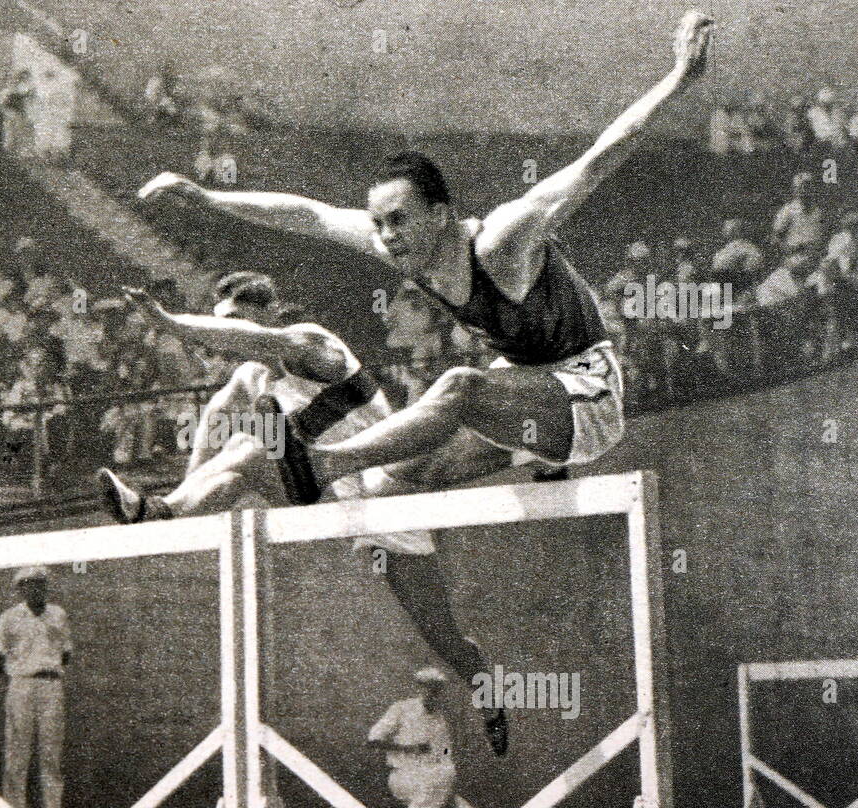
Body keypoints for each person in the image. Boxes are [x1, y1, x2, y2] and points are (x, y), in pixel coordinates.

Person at [137, 12, 715, 503]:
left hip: (587, 389)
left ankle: (320, 463)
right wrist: (205, 195)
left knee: (458, 386)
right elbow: (305, 213)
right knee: (395, 483)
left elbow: (597, 159)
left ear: (441, 214)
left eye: (399, 220)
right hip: (518, 389)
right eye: (379, 223)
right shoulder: (399, 245)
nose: (386, 236)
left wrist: (680, 78)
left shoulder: (501, 242)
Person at [97, 275, 508, 754]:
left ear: (270, 314)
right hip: (321, 484)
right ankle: (160, 514)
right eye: (219, 321)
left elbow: (240, 344)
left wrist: (168, 321)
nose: (226, 332)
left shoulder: (312, 341)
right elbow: (214, 414)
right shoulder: (249, 377)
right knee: (247, 447)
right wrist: (186, 494)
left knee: (438, 630)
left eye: (233, 321)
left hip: (383, 489)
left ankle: (488, 693)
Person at [0, 565, 72, 808]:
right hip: (21, 686)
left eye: (40, 584)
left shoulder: (58, 614)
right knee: (17, 754)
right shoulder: (9, 617)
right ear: (20, 588)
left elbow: (66, 653)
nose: (36, 589)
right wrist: (21, 674)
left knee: (51, 755)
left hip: (51, 687)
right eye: (29, 584)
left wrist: (45, 669)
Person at [367, 667, 482, 808]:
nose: (432, 692)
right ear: (419, 688)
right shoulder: (401, 709)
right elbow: (372, 741)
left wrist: (447, 792)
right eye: (428, 687)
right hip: (404, 776)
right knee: (445, 774)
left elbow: (444, 758)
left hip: (433, 780)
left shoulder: (440, 720)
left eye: (437, 689)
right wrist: (409, 748)